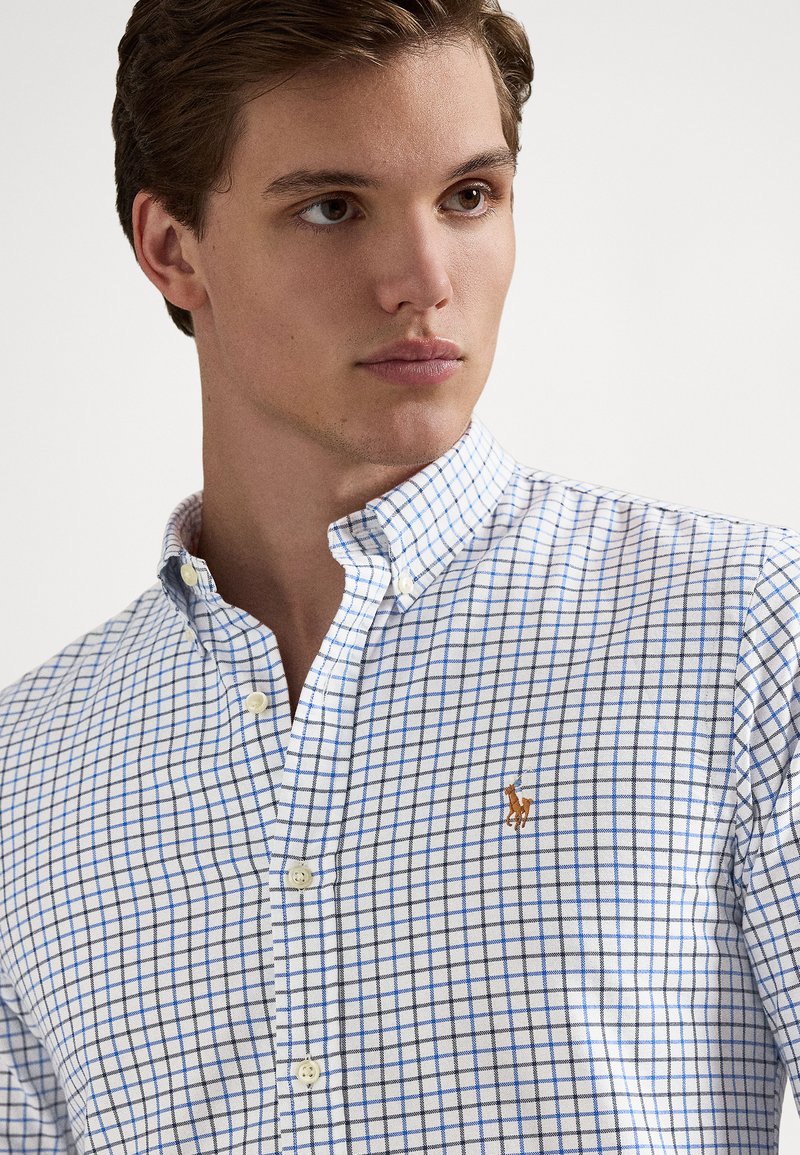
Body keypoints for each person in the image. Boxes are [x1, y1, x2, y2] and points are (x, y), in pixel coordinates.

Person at [1, 1, 799, 1151]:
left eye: (467, 197)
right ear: (172, 247)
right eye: (332, 208)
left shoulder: (745, 632)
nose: (423, 279)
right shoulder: (25, 777)